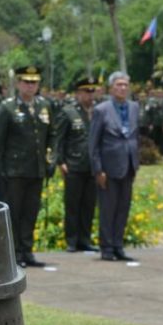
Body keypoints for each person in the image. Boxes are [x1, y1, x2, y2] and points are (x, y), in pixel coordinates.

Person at [0, 65, 56, 268]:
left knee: (31, 212)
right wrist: (0, 170)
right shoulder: (8, 107)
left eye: (34, 82)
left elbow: (51, 136)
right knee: (15, 213)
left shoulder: (44, 106)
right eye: (27, 82)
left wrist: (51, 159)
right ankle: (15, 253)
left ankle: (27, 251)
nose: (30, 86)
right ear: (19, 83)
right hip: (15, 171)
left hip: (36, 169)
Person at [89, 71, 140, 262]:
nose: (123, 88)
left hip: (128, 165)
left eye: (125, 85)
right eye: (119, 85)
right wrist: (98, 169)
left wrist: (136, 161)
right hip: (108, 168)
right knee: (108, 209)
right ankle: (107, 247)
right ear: (111, 88)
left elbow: (136, 136)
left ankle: (118, 245)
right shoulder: (102, 110)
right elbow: (93, 143)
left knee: (123, 208)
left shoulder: (134, 107)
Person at [54, 77, 98, 253]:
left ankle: (85, 239)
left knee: (89, 205)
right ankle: (71, 240)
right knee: (73, 205)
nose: (89, 95)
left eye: (92, 91)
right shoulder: (68, 112)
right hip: (73, 164)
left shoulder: (96, 112)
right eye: (86, 92)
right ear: (78, 93)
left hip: (92, 166)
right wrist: (60, 161)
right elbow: (59, 139)